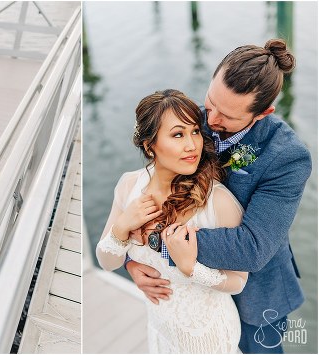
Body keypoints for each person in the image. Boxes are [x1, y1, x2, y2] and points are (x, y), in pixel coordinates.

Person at [125, 39, 312, 353]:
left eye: (226, 116)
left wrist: (159, 243)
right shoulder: (192, 120)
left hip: (256, 299)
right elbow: (154, 189)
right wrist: (132, 260)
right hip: (192, 292)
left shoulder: (288, 157)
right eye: (210, 102)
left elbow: (253, 248)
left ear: (263, 112)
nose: (209, 122)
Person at [97, 89, 247, 353]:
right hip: (159, 328)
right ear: (149, 145)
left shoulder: (218, 201)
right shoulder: (128, 186)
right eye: (178, 134)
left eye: (195, 132)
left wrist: (191, 268)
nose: (192, 145)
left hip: (208, 339)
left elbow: (238, 281)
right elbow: (107, 262)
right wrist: (122, 227)